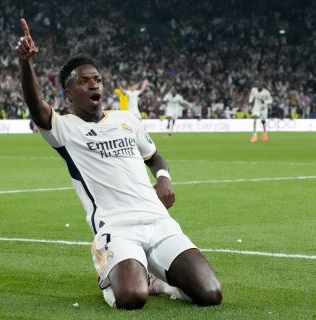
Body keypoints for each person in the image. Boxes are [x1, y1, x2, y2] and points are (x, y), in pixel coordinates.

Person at [16, 18, 222, 310]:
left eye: (97, 79)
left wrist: (163, 177)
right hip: (116, 227)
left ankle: (160, 282)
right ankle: (109, 269)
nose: (93, 84)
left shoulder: (126, 120)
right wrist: (25, 62)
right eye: (84, 80)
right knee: (131, 298)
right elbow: (36, 106)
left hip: (158, 221)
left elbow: (154, 157)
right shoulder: (64, 129)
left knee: (211, 293)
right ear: (68, 94)